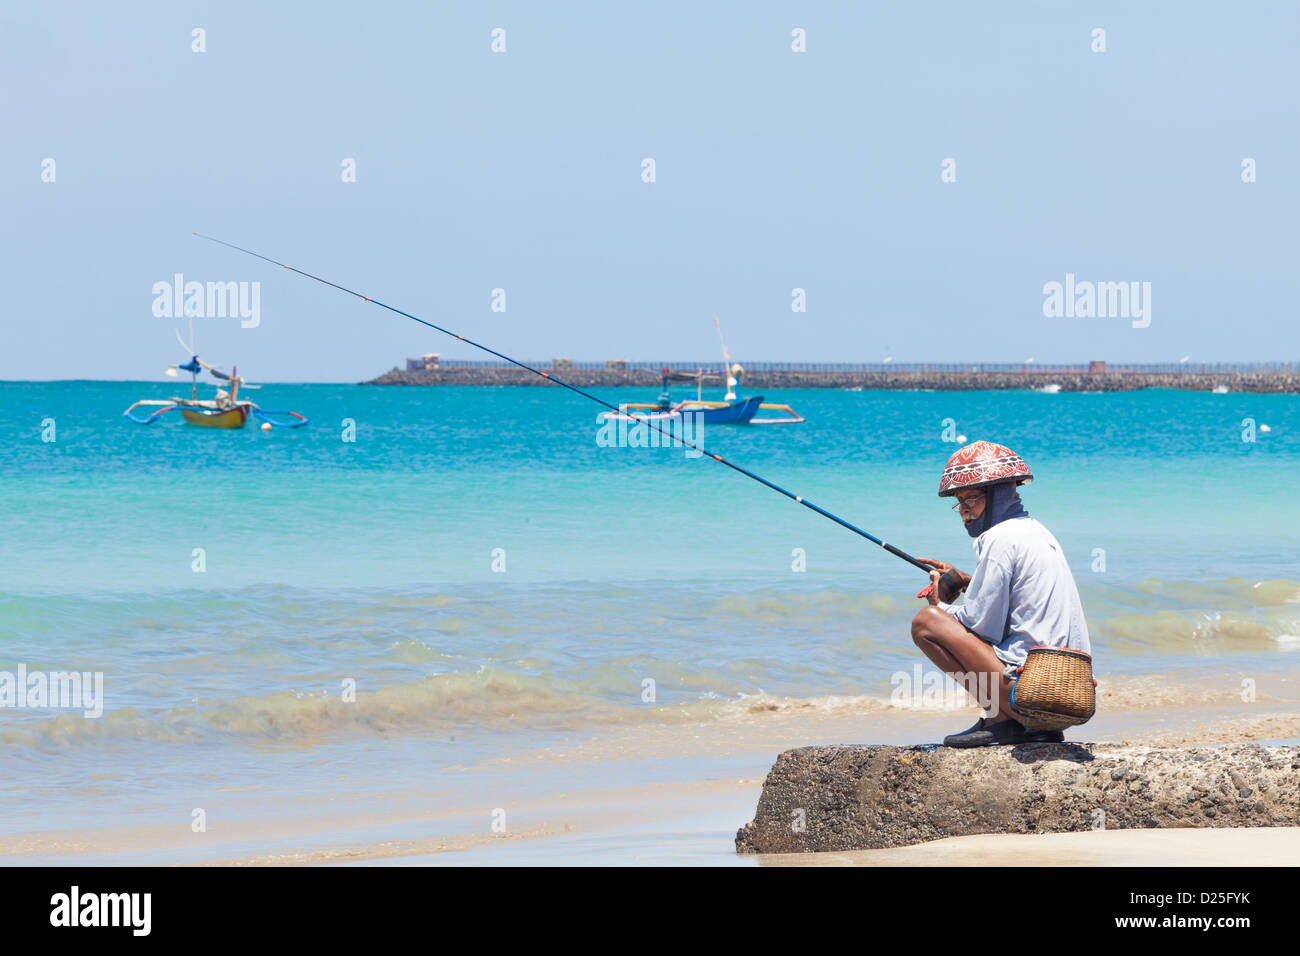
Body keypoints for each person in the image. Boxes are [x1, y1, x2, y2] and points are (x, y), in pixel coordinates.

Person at [910, 440, 1091, 747]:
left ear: (998, 495)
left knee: (926, 623)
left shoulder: (999, 539)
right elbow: (1016, 603)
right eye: (959, 502)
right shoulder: (1035, 531)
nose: (965, 510)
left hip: (1029, 691)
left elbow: (982, 627)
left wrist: (940, 604)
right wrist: (968, 582)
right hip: (1068, 692)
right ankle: (1029, 726)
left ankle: (1000, 718)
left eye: (973, 499)